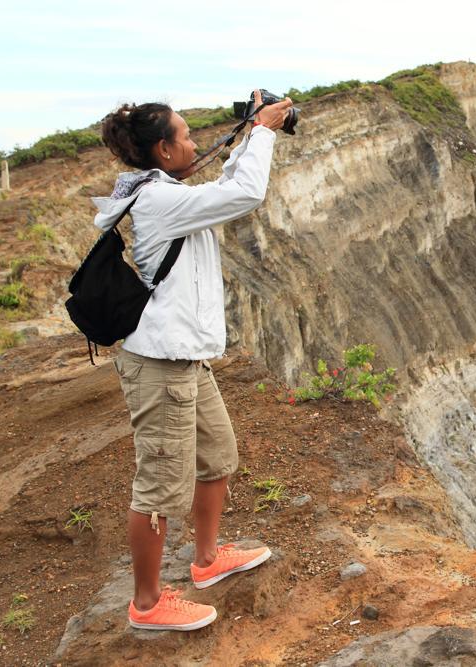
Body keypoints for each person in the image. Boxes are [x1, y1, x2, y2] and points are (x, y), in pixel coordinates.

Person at [93, 89, 294, 631]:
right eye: (185, 136)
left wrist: (249, 133)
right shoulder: (159, 201)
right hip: (161, 364)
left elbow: (227, 189)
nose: (194, 142)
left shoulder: (162, 190)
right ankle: (148, 603)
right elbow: (245, 194)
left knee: (218, 457)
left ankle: (206, 561)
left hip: (185, 360)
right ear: (162, 150)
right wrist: (267, 131)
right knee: (159, 485)